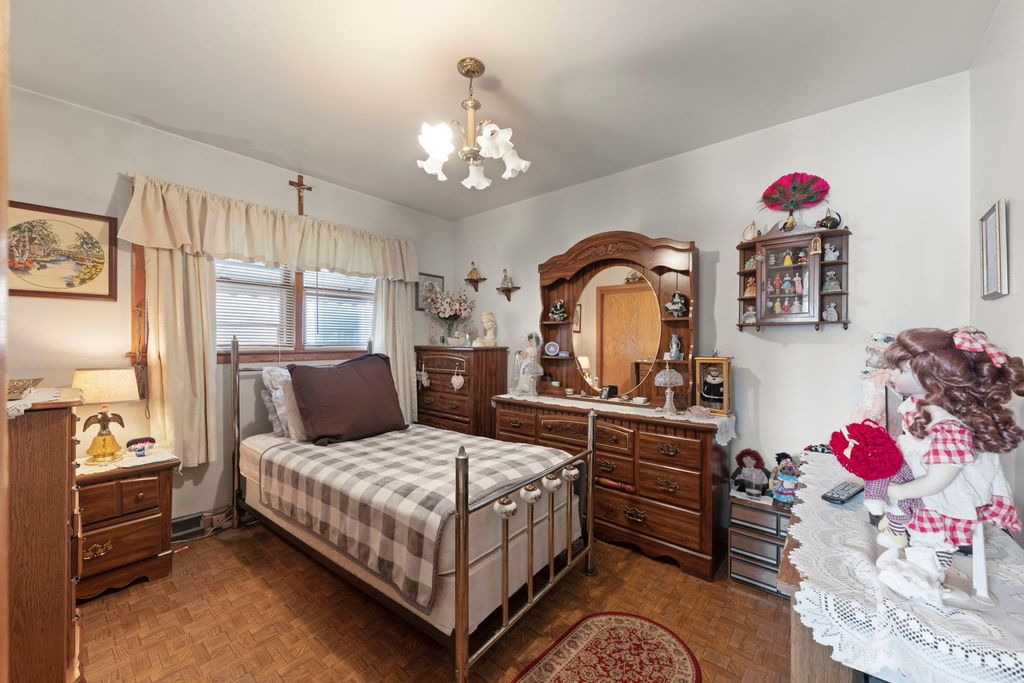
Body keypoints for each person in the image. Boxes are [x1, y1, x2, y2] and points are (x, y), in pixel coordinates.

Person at [886, 327, 1024, 570]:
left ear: (931, 376)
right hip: (925, 493)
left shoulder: (948, 427)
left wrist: (899, 491)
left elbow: (937, 481)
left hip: (941, 502)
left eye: (900, 370)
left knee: (930, 548)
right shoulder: (921, 406)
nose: (891, 374)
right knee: (918, 545)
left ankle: (931, 577)